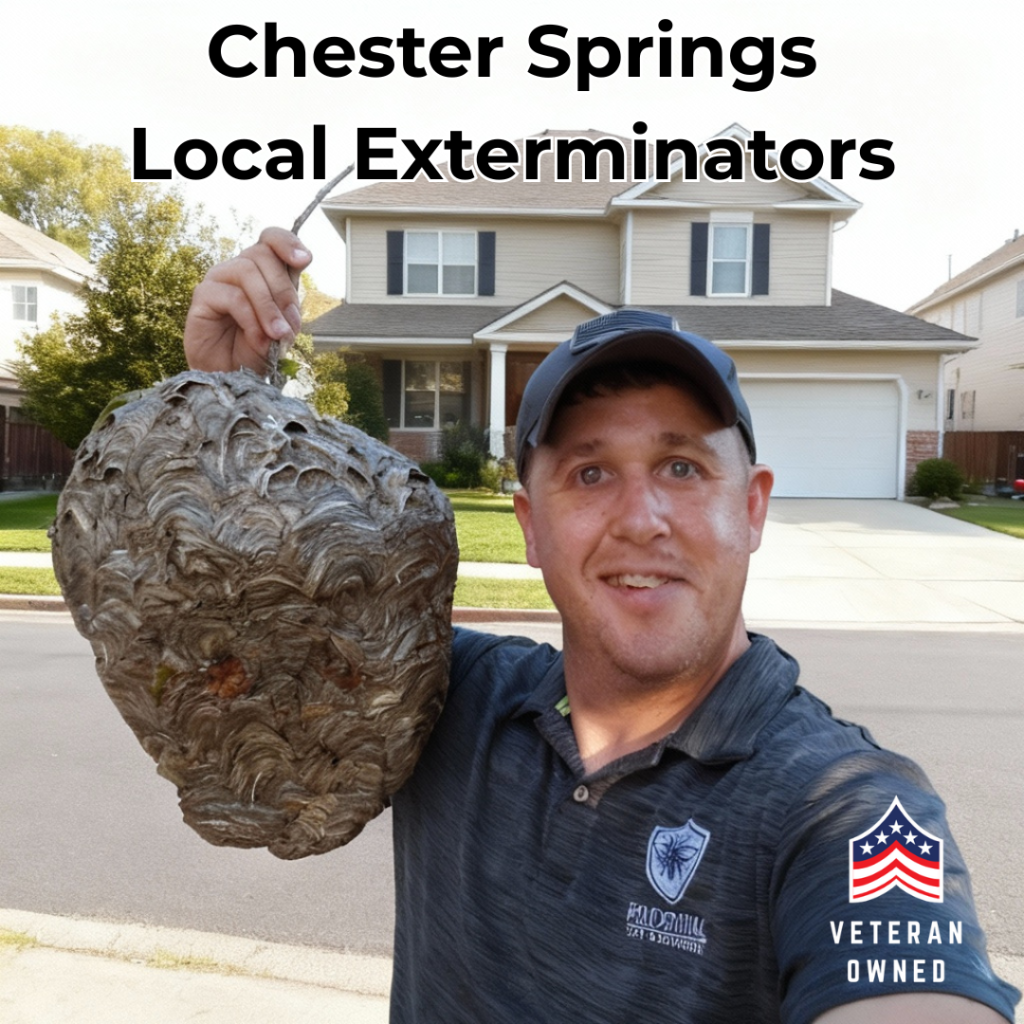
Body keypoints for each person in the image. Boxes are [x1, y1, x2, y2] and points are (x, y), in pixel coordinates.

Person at [184, 229, 1020, 1024]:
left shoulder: (849, 809)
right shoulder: (441, 698)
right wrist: (229, 403)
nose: (642, 518)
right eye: (589, 473)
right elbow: (245, 627)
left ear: (752, 506)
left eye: (682, 467)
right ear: (530, 525)